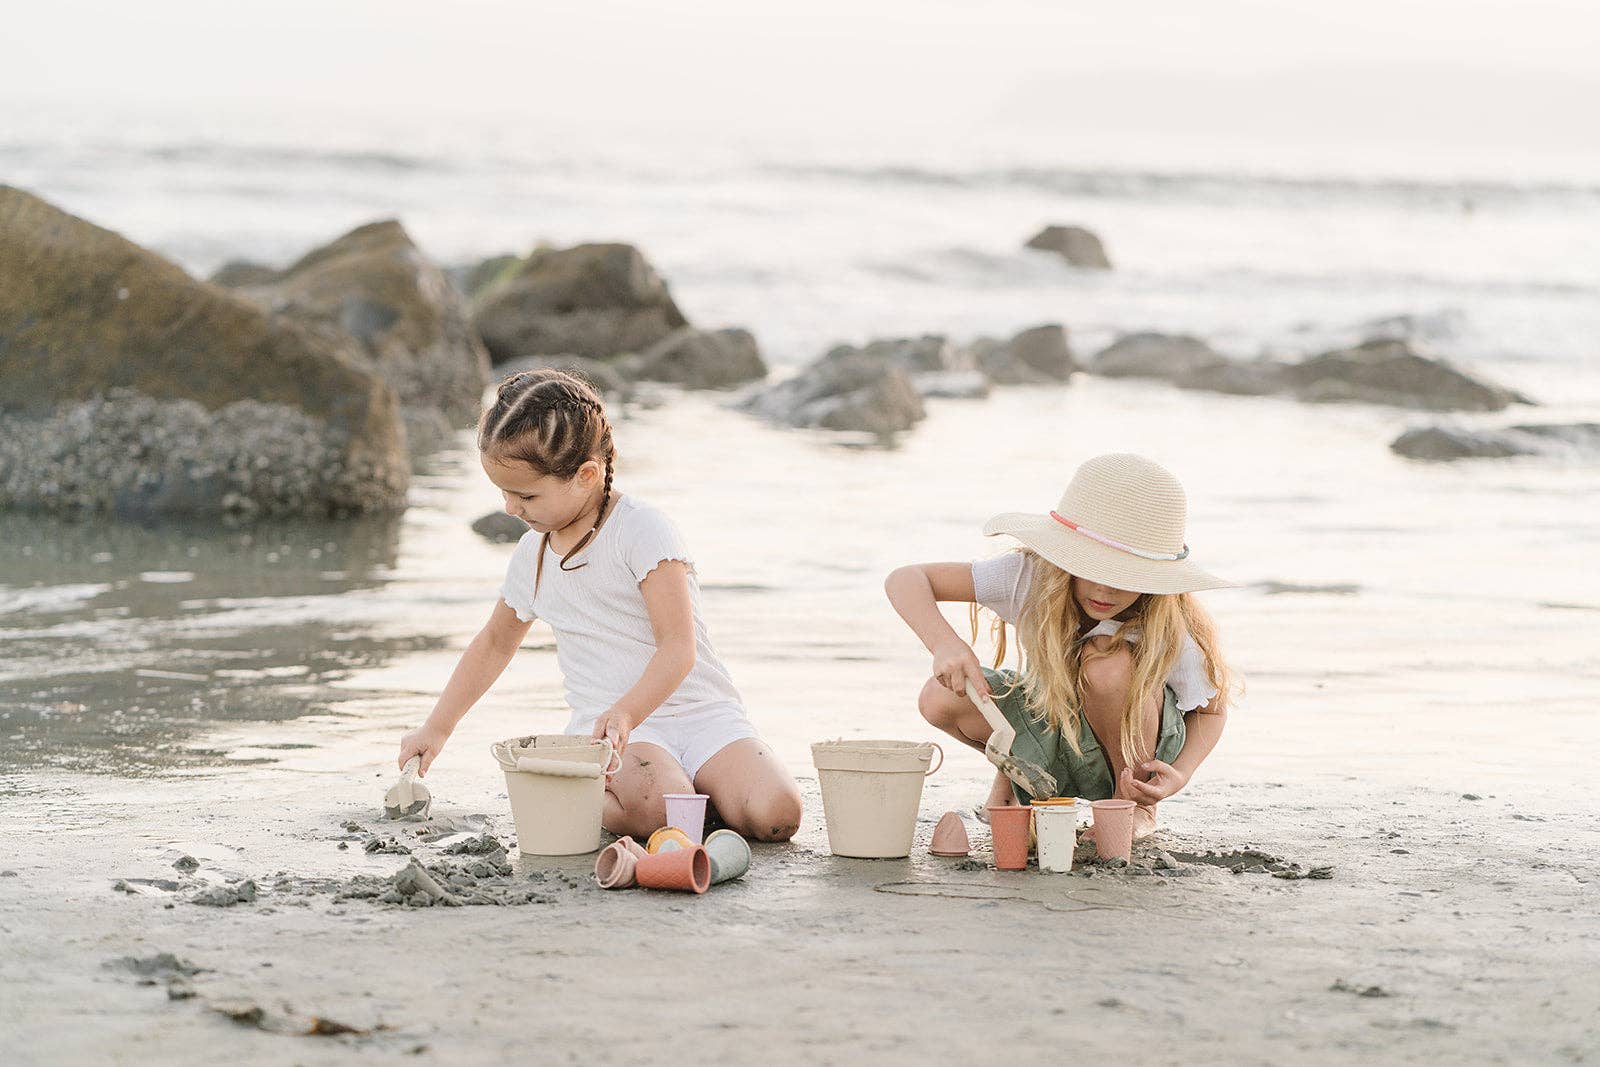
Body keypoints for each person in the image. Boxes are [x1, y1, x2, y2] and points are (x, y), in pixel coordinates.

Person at [398, 369, 802, 842]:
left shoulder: (643, 531)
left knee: (777, 815)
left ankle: (694, 791)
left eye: (526, 494)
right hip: (615, 738)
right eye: (502, 493)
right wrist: (437, 728)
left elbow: (678, 647)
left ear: (586, 475)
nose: (510, 508)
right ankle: (652, 793)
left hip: (701, 716)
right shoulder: (533, 556)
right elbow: (493, 645)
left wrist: (628, 710)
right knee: (659, 816)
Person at [884, 453, 1238, 840]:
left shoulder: (1169, 620)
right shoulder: (1031, 578)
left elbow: (1211, 711)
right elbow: (907, 579)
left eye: (1125, 575)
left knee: (1105, 660)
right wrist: (946, 644)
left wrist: (1180, 774)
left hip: (1139, 746)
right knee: (939, 695)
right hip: (1061, 732)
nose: (1105, 589)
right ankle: (1022, 782)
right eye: (1091, 568)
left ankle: (1133, 807)